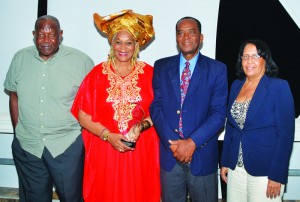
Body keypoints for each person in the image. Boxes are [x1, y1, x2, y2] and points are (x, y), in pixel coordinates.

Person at [71, 9, 160, 202]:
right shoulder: (96, 74)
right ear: (111, 43)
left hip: (140, 152)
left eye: (129, 42)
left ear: (137, 45)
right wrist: (108, 136)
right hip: (104, 153)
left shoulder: (150, 74)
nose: (123, 47)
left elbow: (160, 112)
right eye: (118, 41)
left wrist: (141, 126)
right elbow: (82, 115)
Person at [3, 15, 94, 202]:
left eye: (51, 34)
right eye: (41, 34)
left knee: (72, 197)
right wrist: (17, 133)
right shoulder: (20, 58)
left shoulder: (81, 61)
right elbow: (14, 96)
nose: (46, 40)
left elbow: (89, 104)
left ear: (60, 35)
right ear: (34, 35)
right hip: (28, 146)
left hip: (66, 145)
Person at [150, 16, 228, 202]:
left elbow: (218, 114)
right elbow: (156, 107)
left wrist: (192, 143)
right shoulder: (161, 66)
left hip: (202, 156)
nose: (186, 37)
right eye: (180, 33)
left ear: (200, 37)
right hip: (170, 155)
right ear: (176, 38)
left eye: (191, 32)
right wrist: (174, 144)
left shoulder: (217, 69)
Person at [220, 39, 295, 202]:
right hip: (236, 169)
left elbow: (286, 135)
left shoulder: (279, 87)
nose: (249, 61)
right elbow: (231, 128)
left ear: (265, 59)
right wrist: (225, 161)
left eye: (255, 56)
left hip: (266, 171)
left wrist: (277, 175)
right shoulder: (235, 86)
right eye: (245, 56)